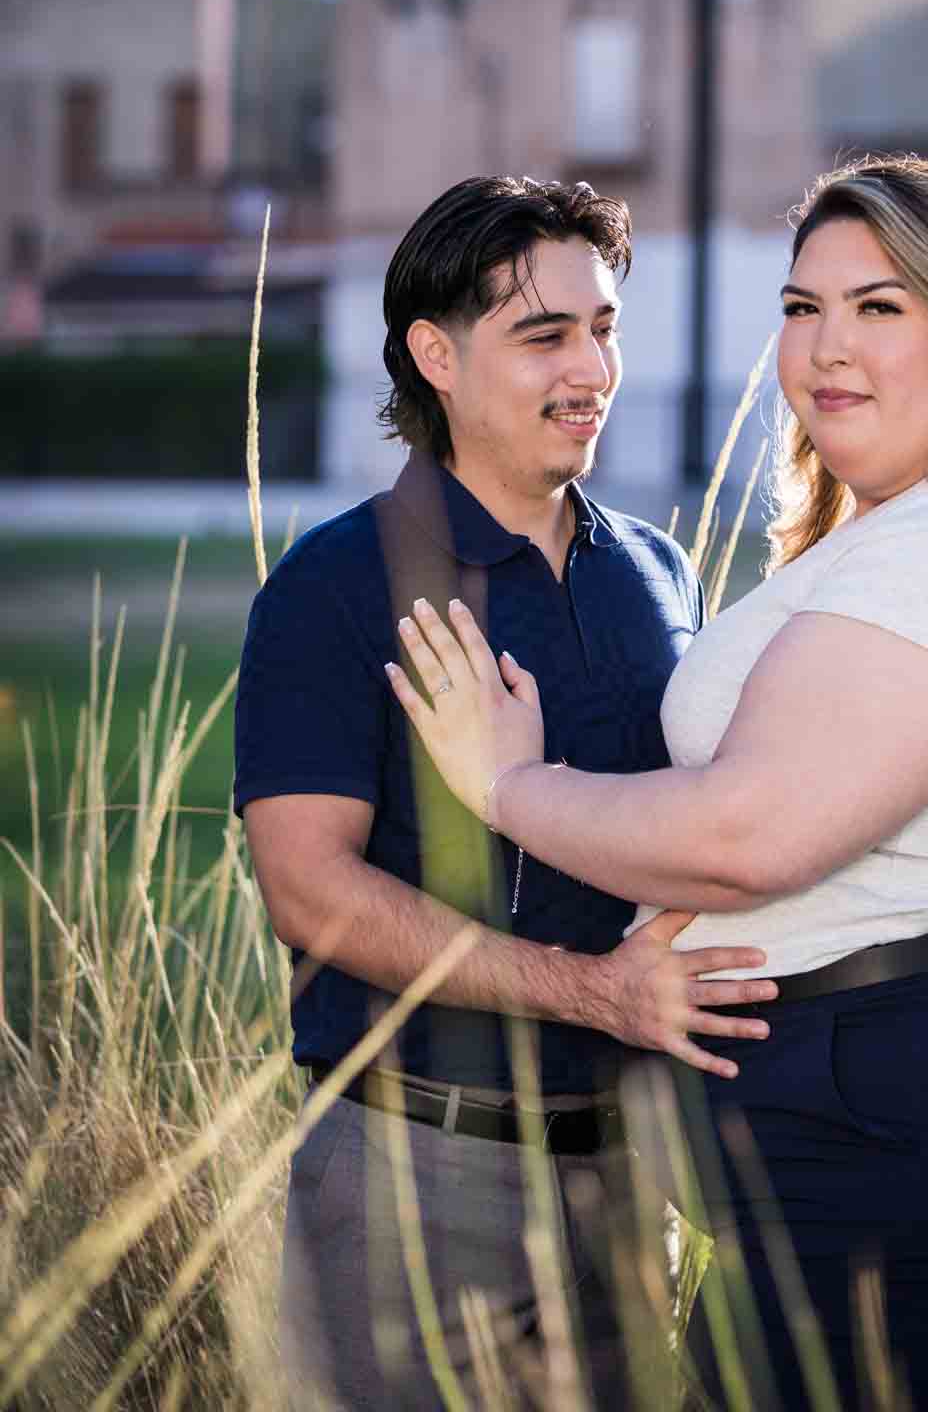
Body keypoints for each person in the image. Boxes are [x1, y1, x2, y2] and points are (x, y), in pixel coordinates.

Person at [387, 155, 928, 1412]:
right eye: (801, 307)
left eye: (878, 306)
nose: (823, 348)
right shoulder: (896, 529)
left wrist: (508, 782)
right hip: (873, 1112)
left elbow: (744, 838)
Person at [234, 176, 778, 1410]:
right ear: (434, 352)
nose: (592, 366)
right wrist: (592, 992)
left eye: (604, 329)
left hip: (638, 1174)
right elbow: (307, 890)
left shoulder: (658, 570)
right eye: (545, 334)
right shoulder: (335, 584)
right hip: (415, 1174)